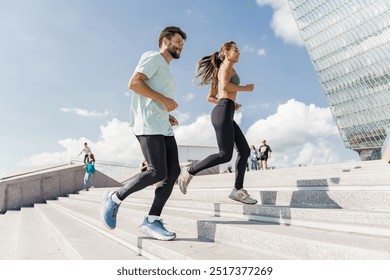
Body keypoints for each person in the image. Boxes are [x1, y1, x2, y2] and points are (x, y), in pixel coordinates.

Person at [101, 26, 187, 241]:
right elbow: (134, 84)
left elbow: (152, 95)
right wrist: (164, 100)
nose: (181, 46)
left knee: (173, 172)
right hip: (148, 124)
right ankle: (115, 197)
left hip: (161, 125)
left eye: (183, 44)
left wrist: (167, 114)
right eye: (178, 41)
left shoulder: (165, 69)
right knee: (156, 172)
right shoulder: (153, 57)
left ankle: (152, 220)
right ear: (165, 40)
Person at [178, 41, 257, 205]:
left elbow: (211, 96)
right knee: (225, 154)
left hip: (226, 109)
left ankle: (238, 190)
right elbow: (226, 85)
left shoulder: (224, 69)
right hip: (223, 110)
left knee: (244, 150)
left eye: (239, 49)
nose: (239, 52)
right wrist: (245, 89)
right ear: (226, 53)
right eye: (235, 49)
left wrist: (230, 101)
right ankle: (190, 171)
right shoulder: (226, 66)